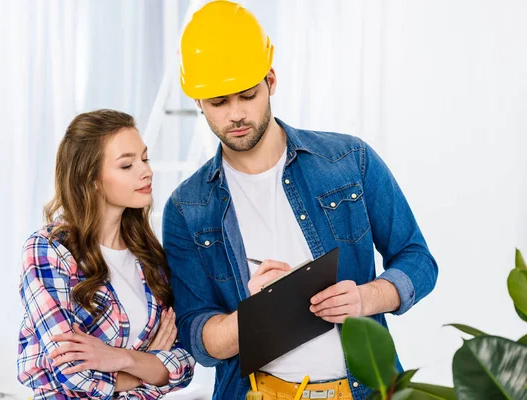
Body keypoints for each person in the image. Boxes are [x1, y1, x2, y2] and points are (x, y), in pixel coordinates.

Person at [162, 2, 438, 400]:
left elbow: (418, 260)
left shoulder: (348, 161)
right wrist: (254, 315)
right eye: (219, 103)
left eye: (247, 95)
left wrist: (365, 297)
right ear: (198, 102)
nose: (236, 114)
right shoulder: (188, 207)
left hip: (365, 390)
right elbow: (195, 335)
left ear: (271, 79)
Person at [17, 109, 195, 399]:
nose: (146, 171)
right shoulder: (48, 251)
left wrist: (123, 359)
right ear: (92, 179)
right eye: (127, 165)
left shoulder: (151, 258)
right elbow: (73, 373)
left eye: (145, 159)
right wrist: (150, 362)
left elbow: (185, 365)